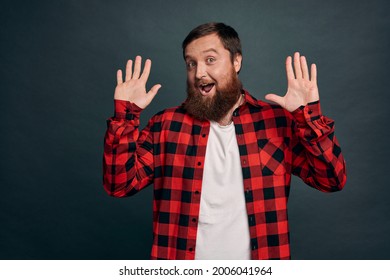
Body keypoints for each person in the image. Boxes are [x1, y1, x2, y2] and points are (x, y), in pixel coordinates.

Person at [103, 22, 346, 260]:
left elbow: (331, 180)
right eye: (191, 63)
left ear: (236, 61)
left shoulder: (276, 122)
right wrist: (126, 115)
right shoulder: (166, 125)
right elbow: (119, 185)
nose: (199, 73)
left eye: (210, 60)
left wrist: (307, 117)